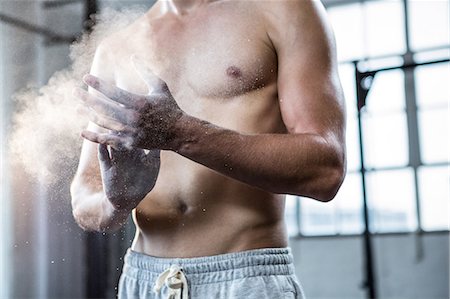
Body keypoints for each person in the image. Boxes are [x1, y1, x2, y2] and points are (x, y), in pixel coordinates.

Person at [71, 0, 346, 298]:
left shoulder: (285, 9)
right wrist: (115, 202)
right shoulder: (116, 48)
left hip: (242, 278)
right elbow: (85, 196)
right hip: (146, 281)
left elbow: (325, 169)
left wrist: (180, 133)